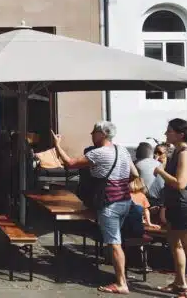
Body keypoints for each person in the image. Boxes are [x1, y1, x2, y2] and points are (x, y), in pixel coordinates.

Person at [52, 121, 138, 295]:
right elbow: (135, 174)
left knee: (114, 243)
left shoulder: (99, 153)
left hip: (109, 203)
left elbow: (70, 163)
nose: (91, 134)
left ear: (102, 134)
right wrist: (120, 185)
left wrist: (57, 145)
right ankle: (118, 274)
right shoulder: (122, 150)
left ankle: (121, 283)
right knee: (116, 240)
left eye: (93, 132)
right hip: (125, 200)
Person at [153, 118, 187, 296]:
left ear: (180, 134)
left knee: (184, 246)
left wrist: (160, 171)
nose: (166, 134)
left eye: (169, 131)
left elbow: (181, 183)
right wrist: (164, 162)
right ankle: (179, 283)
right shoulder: (177, 151)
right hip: (175, 203)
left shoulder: (185, 152)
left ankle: (185, 287)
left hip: (182, 204)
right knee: (176, 245)